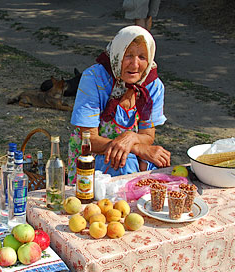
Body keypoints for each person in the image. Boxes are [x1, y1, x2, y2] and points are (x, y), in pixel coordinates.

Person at [67, 25, 170, 184]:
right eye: (128, 55)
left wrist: (130, 137)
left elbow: (148, 136)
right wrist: (135, 147)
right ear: (117, 54)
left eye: (142, 57)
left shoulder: (152, 85)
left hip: (127, 154)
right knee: (124, 161)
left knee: (159, 161)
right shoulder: (94, 79)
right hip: (91, 157)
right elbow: (89, 140)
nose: (135, 65)